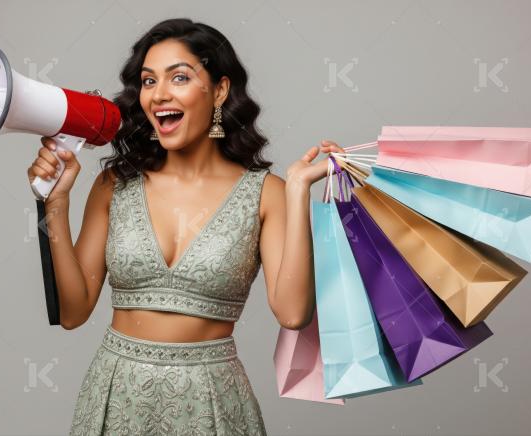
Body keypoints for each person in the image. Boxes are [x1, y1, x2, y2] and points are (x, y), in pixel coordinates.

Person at [27, 18, 343, 436]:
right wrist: (56, 203)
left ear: (219, 90)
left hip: (212, 400)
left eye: (179, 77)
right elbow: (73, 311)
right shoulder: (113, 185)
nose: (159, 95)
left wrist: (299, 189)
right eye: (148, 81)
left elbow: (292, 312)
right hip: (115, 394)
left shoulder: (267, 194)